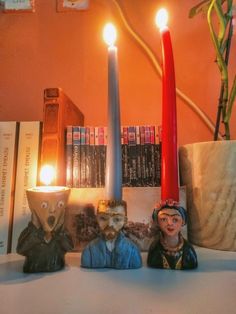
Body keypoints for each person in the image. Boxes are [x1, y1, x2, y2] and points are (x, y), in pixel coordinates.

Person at [17, 188, 73, 273]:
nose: (52, 210)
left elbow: (69, 247)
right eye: (44, 205)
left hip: (57, 267)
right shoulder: (30, 233)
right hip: (33, 269)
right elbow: (20, 249)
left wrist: (59, 231)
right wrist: (35, 229)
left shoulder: (61, 233)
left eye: (60, 204)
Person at [81, 200, 142, 269]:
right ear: (97, 219)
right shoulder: (89, 251)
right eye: (103, 218)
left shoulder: (132, 251)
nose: (110, 224)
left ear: (124, 221)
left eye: (117, 219)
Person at [147, 200, 198, 270]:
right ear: (157, 222)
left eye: (175, 219)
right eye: (164, 219)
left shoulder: (188, 250)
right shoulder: (155, 248)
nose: (170, 223)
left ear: (183, 222)